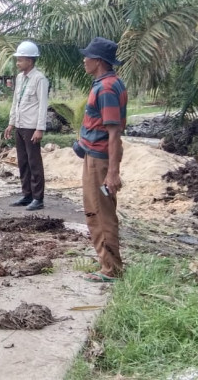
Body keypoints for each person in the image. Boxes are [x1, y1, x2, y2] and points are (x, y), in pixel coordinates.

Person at [73, 37, 128, 283]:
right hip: (96, 158)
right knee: (101, 210)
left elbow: (114, 133)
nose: (84, 60)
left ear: (98, 61)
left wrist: (112, 172)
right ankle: (108, 264)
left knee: (99, 213)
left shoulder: (105, 89)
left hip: (99, 161)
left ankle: (111, 270)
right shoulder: (109, 83)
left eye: (88, 56)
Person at [3, 40, 49, 211]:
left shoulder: (40, 79)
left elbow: (43, 105)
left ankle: (38, 198)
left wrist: (39, 128)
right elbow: (16, 101)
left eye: (20, 60)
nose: (18, 63)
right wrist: (11, 123)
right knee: (23, 161)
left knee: (34, 161)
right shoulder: (20, 78)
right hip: (20, 126)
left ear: (30, 61)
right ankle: (26, 194)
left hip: (31, 127)